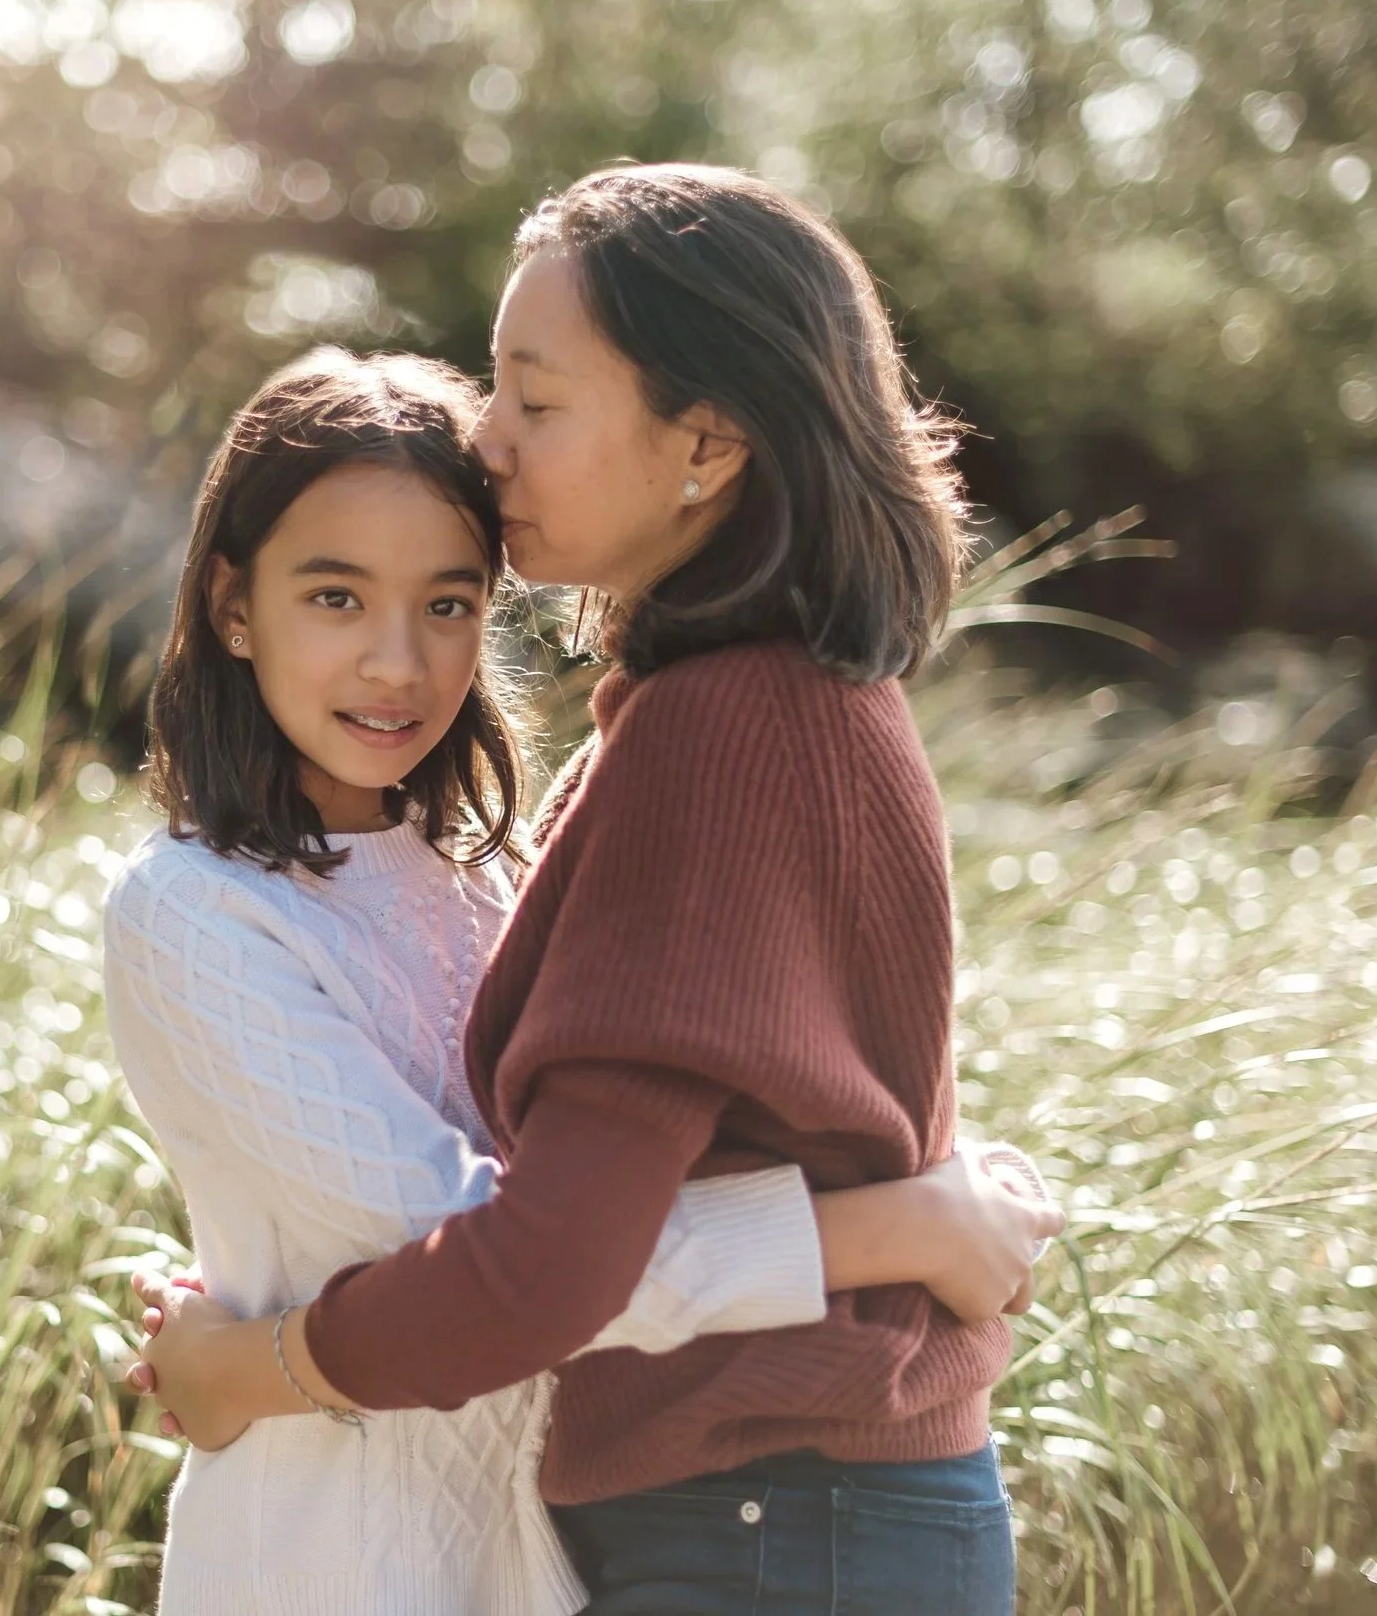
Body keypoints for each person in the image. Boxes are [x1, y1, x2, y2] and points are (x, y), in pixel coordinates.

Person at [136, 165, 1036, 1616]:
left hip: (773, 1520)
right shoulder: (777, 701)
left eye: (535, 401)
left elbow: (544, 1263)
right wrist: (900, 1220)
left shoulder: (721, 734)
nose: (486, 440)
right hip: (796, 1512)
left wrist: (259, 1363)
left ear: (707, 443)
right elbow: (806, 1113)